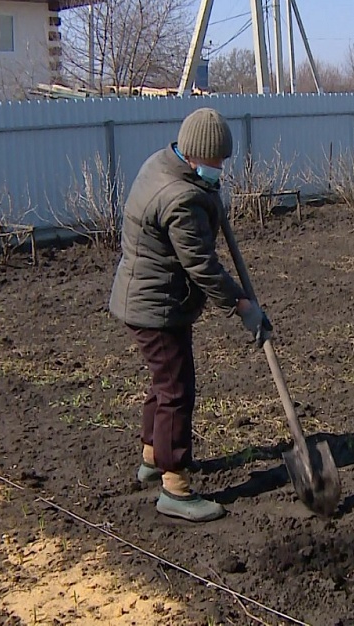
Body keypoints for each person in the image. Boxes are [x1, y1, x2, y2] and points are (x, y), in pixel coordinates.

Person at [108, 107, 272, 522]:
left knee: (164, 381)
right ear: (196, 156)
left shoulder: (165, 164)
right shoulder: (181, 197)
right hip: (156, 306)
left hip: (145, 296)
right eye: (217, 162)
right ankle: (175, 487)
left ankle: (151, 457)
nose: (221, 169)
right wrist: (242, 305)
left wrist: (206, 190)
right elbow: (201, 265)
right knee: (177, 390)